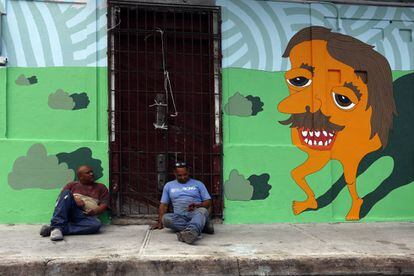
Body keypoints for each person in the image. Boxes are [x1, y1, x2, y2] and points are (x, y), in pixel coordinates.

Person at [39, 165, 109, 241]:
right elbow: (60, 200)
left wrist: (94, 211)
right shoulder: (71, 185)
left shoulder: (101, 187)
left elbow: (104, 204)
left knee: (96, 225)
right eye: (88, 173)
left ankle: (56, 229)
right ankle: (57, 226)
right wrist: (74, 199)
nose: (91, 174)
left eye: (91, 172)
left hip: (85, 217)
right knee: (66, 193)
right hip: (70, 214)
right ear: (80, 176)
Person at [151, 162, 214, 244]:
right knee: (165, 219)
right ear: (174, 173)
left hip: (196, 213)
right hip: (180, 217)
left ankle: (191, 232)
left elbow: (208, 202)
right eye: (179, 175)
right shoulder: (169, 185)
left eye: (185, 175)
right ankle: (199, 227)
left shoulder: (198, 184)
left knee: (202, 211)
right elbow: (164, 205)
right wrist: (160, 222)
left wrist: (198, 205)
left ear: (189, 172)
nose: (183, 177)